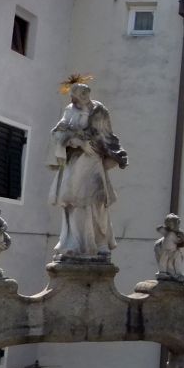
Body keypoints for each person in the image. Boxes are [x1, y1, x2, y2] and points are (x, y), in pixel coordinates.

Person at [48, 78, 128, 260]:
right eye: (79, 93)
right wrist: (78, 142)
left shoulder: (99, 110)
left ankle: (100, 244)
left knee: (98, 201)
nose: (84, 95)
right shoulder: (70, 111)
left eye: (86, 92)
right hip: (76, 161)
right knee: (73, 202)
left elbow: (108, 135)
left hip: (94, 161)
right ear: (74, 97)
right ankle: (74, 244)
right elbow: (58, 133)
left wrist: (116, 153)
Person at [153, 214, 184, 280]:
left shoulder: (173, 233)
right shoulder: (171, 234)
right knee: (165, 262)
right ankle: (164, 273)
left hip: (173, 251)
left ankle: (175, 274)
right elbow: (160, 229)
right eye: (175, 223)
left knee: (174, 262)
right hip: (167, 251)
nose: (177, 225)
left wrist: (180, 235)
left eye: (177, 223)